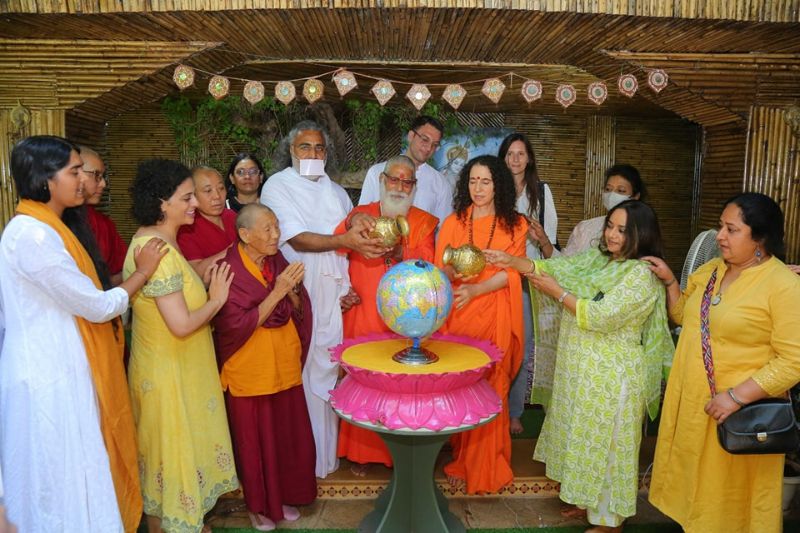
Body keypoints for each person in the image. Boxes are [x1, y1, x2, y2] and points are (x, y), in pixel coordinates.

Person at [0, 135, 167, 533]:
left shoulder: (50, 228)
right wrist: (143, 272)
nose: (84, 181)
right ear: (45, 178)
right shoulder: (33, 235)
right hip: (47, 374)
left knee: (75, 466)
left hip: (63, 363)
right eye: (74, 172)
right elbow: (97, 305)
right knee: (58, 471)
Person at [485, 199, 673, 532]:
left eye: (622, 230)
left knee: (607, 448)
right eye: (610, 226)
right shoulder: (599, 259)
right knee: (582, 439)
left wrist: (558, 294)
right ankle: (585, 500)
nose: (612, 235)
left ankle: (611, 522)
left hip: (612, 376)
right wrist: (512, 261)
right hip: (582, 371)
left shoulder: (640, 276)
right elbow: (558, 268)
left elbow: (600, 316)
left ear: (641, 234)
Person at [647, 193, 800, 533]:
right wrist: (670, 282)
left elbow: (793, 360)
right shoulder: (710, 271)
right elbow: (683, 316)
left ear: (759, 238)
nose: (719, 236)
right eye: (721, 227)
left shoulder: (783, 285)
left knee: (731, 501)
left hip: (741, 413)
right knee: (695, 492)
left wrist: (735, 397)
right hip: (696, 406)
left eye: (732, 230)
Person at [260, 120, 389, 478]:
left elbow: (349, 233)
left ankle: (326, 458)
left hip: (332, 296)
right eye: (305, 147)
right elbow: (297, 238)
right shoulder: (278, 185)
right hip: (298, 293)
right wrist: (346, 241)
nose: (313, 154)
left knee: (330, 372)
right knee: (301, 372)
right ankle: (300, 462)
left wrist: (345, 286)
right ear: (291, 150)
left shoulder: (334, 190)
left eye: (319, 148)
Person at [125, 158, 239, 533]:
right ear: (162, 202)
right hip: (167, 375)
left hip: (179, 369)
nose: (195, 204)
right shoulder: (156, 250)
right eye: (187, 197)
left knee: (174, 460)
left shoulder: (160, 242)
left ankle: (186, 523)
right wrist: (217, 299)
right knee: (170, 459)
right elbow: (181, 324)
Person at [212, 204, 316, 531]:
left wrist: (293, 292)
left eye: (276, 227)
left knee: (283, 438)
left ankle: (281, 498)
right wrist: (280, 291)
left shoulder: (276, 260)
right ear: (245, 234)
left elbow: (296, 306)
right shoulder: (227, 270)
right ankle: (257, 507)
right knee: (254, 444)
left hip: (282, 365)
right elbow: (236, 324)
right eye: (267, 229)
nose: (276, 235)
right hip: (249, 371)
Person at [336, 155, 439, 474]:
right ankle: (361, 454)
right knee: (364, 379)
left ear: (414, 187)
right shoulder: (360, 215)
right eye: (393, 179)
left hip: (405, 317)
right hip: (363, 310)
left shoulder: (424, 222)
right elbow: (336, 251)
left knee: (400, 384)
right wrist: (340, 291)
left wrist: (401, 251)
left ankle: (398, 455)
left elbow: (430, 263)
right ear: (381, 181)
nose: (399, 187)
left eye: (407, 182)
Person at [434, 155, 526, 494]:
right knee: (464, 386)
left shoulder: (516, 224)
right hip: (460, 315)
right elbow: (441, 269)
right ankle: (463, 458)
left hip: (494, 312)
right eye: (472, 181)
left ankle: (486, 464)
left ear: (498, 184)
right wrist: (454, 273)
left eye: (485, 181)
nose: (478, 188)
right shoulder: (453, 222)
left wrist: (477, 289)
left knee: (492, 385)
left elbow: (513, 273)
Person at [498, 132, 559, 434]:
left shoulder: (542, 193)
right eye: (510, 154)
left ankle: (514, 413)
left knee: (520, 349)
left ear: (529, 158)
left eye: (520, 153)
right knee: (496, 346)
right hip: (496, 279)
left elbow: (551, 245)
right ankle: (490, 410)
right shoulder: (494, 190)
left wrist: (540, 237)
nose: (515, 159)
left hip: (527, 281)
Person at [532, 164, 644, 258]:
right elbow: (565, 264)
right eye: (608, 189)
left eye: (621, 191)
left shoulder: (644, 232)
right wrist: (543, 240)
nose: (612, 195)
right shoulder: (585, 228)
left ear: (636, 196)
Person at [359, 115, 454, 225]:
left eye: (435, 144)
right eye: (425, 140)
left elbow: (443, 228)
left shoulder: (441, 184)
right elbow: (362, 216)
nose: (429, 148)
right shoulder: (377, 172)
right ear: (411, 136)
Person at [177, 166, 238, 279]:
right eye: (208, 191)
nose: (217, 196)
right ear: (193, 195)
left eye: (221, 188)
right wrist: (238, 248)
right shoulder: (187, 228)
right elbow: (196, 273)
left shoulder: (232, 216)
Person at [80, 145, 127, 286]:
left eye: (102, 176)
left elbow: (123, 269)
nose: (103, 184)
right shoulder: (47, 223)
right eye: (96, 175)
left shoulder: (103, 223)